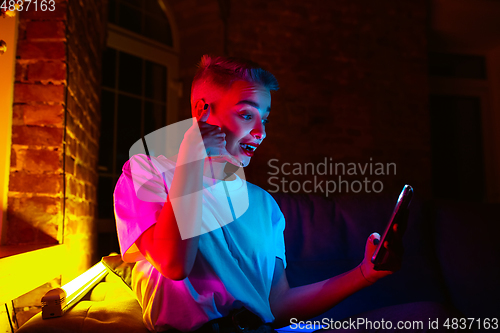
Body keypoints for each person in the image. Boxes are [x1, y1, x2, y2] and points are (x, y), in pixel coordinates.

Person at [113, 55, 455, 333]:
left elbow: (279, 304)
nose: (261, 132)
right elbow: (174, 264)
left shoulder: (264, 205)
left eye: (265, 118)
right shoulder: (146, 172)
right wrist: (191, 160)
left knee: (432, 316)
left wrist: (365, 273)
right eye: (247, 114)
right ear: (204, 112)